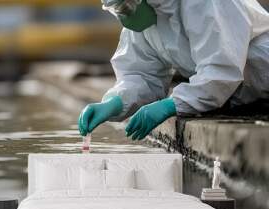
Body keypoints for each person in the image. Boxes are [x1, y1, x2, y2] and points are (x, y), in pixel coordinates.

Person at [78, 0, 269, 140]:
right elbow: (141, 74)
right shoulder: (148, 15)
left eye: (125, 7)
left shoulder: (207, 4)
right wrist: (115, 102)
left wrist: (172, 105)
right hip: (242, 96)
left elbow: (221, 72)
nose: (123, 16)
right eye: (116, 9)